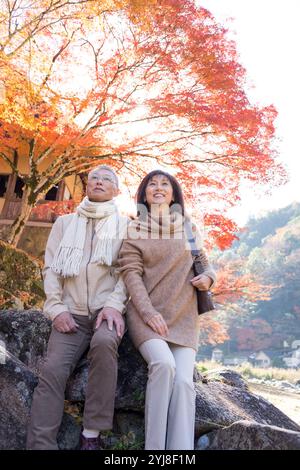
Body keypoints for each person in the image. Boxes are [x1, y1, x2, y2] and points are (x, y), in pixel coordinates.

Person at [26, 165, 128, 450]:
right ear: (87, 185)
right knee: (53, 370)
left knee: (105, 345)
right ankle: (41, 444)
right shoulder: (65, 224)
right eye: (94, 177)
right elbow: (51, 270)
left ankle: (91, 434)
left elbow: (128, 274)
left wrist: (113, 306)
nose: (99, 182)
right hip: (71, 313)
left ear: (116, 191)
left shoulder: (126, 226)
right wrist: (57, 309)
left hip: (105, 312)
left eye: (106, 179)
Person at [117, 170, 216, 450]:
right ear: (144, 194)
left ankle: (180, 452)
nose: (158, 188)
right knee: (163, 365)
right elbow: (131, 275)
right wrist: (148, 313)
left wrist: (209, 278)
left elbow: (205, 263)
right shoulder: (134, 228)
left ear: (174, 193)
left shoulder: (188, 227)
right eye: (152, 184)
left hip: (183, 316)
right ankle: (154, 450)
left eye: (165, 184)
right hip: (146, 314)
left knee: (185, 383)